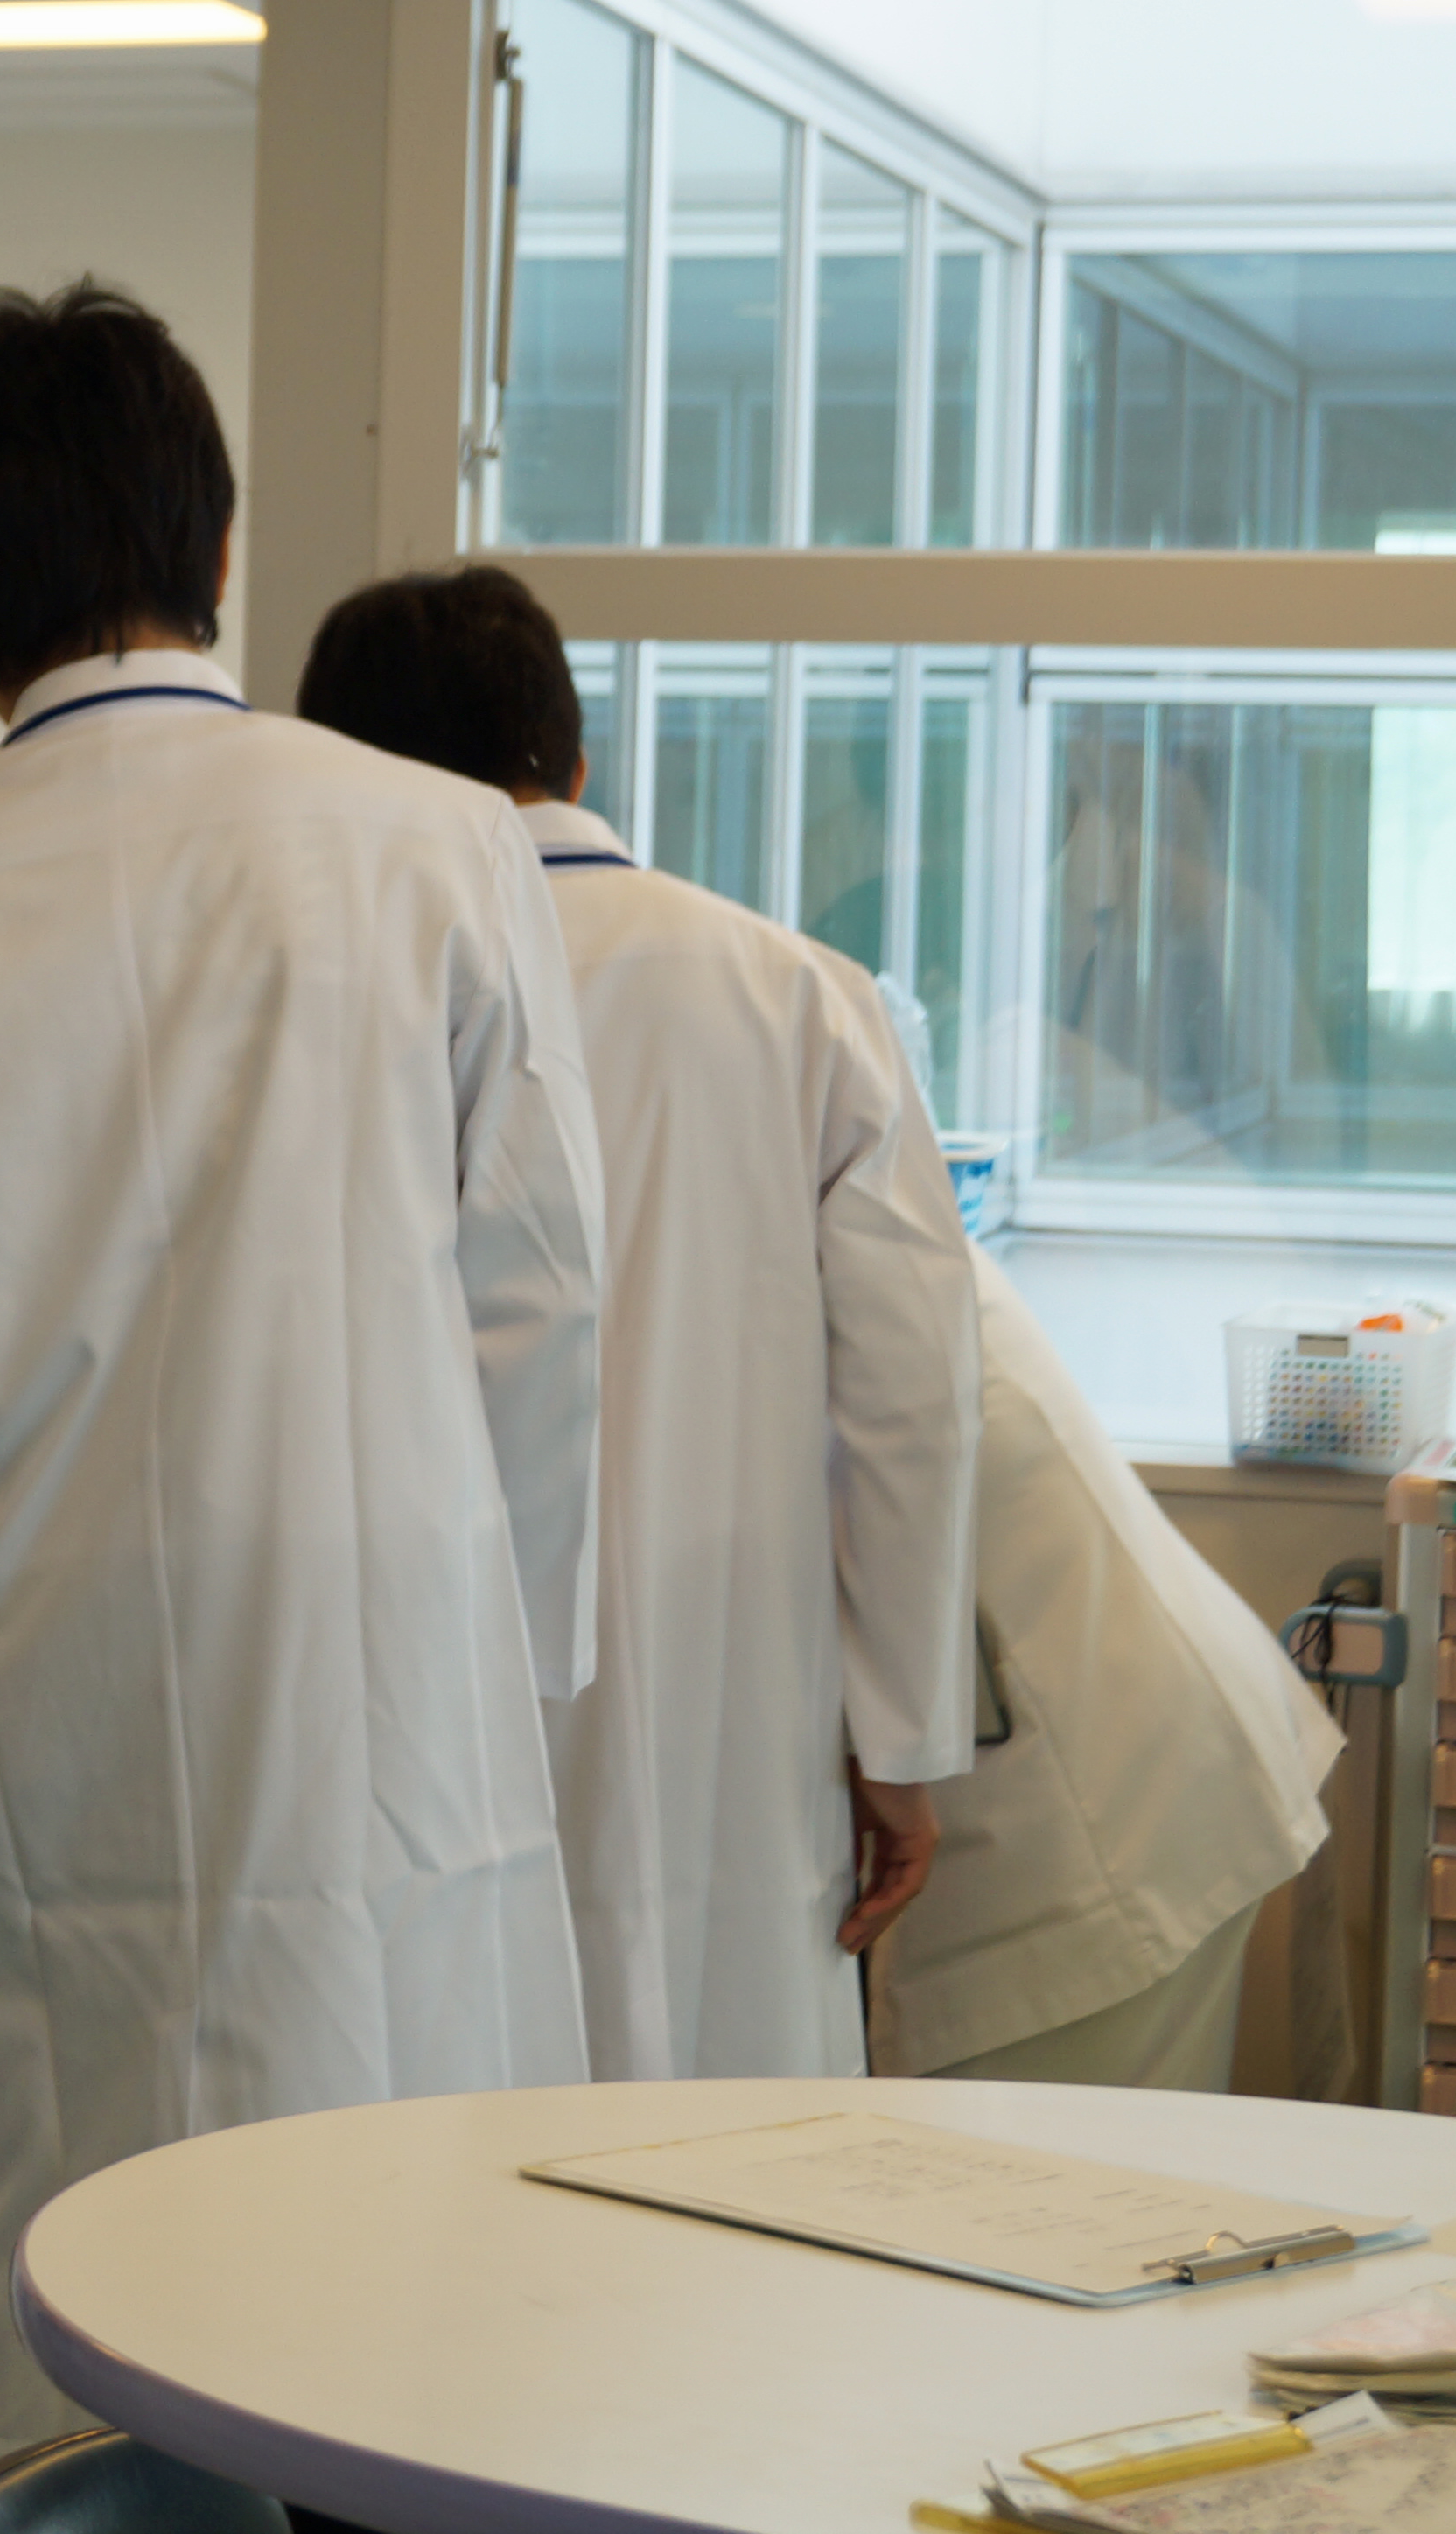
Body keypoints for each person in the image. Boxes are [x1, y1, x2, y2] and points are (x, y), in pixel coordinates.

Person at [0, 284, 612, 2468]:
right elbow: (538, 1290)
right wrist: (500, 1632)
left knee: (94, 2316)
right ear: (217, 544)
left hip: (47, 1705)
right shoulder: (429, 839)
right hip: (387, 1693)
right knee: (410, 2325)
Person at [295, 564, 984, 2080]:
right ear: (575, 754)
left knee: (433, 2122)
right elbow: (915, 1397)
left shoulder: (327, 1001)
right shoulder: (803, 995)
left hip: (413, 1689)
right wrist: (902, 1735)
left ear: (345, 765)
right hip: (730, 1686)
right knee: (725, 2141)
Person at [870, 1247, 1344, 2089]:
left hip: (1106, 1801)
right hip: (1128, 1750)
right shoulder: (865, 1230)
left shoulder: (846, 1250)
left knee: (1059, 2164)